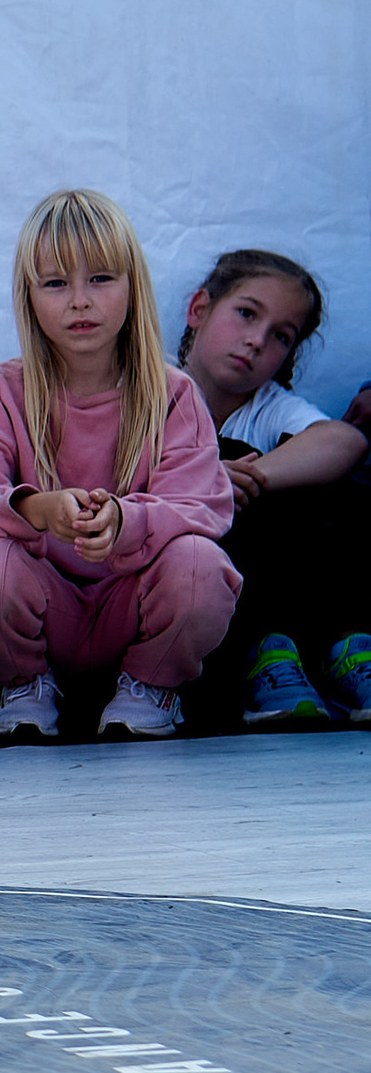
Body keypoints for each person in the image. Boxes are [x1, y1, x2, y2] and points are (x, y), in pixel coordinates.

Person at [0, 190, 237, 743]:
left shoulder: (173, 395)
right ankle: (26, 685)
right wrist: (34, 508)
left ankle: (150, 687)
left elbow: (204, 510)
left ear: (133, 286)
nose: (79, 301)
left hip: (135, 609)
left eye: (100, 278)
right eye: (55, 283)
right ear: (29, 297)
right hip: (46, 612)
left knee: (200, 565)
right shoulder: (0, 392)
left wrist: (127, 522)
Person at [172, 248, 371, 728]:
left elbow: (343, 440)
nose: (256, 341)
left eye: (281, 335)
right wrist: (203, 478)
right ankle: (256, 658)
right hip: (187, 591)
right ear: (199, 310)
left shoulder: (272, 407)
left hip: (274, 584)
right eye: (246, 313)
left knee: (320, 485)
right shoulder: (150, 387)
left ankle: (320, 654)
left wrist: (227, 479)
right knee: (225, 455)